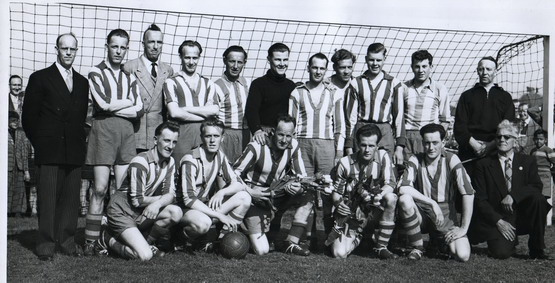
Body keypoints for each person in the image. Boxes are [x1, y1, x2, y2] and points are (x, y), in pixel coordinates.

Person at [22, 33, 90, 260]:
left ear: (76, 50)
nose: (69, 53)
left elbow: (81, 119)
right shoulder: (40, 78)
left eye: (73, 49)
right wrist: (42, 143)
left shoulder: (82, 82)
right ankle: (46, 246)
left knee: (71, 201)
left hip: (74, 150)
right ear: (56, 49)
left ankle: (68, 242)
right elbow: (28, 119)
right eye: (64, 48)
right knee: (48, 200)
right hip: (49, 150)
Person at [83, 29, 144, 255]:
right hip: (103, 132)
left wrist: (118, 105)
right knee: (99, 188)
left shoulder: (130, 77)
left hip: (126, 134)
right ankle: (90, 241)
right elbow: (102, 104)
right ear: (107, 46)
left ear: (127, 49)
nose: (118, 51)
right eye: (114, 46)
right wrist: (126, 101)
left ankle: (114, 238)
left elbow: (139, 109)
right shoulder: (96, 72)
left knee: (121, 191)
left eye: (123, 47)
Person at [468, 120, 552, 260]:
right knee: (501, 253)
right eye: (499, 136)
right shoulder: (483, 164)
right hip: (500, 217)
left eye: (507, 137)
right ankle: (509, 241)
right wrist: (498, 222)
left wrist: (514, 196)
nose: (502, 140)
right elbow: (480, 199)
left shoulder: (527, 161)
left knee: (539, 200)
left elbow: (536, 187)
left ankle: (537, 248)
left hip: (523, 215)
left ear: (515, 139)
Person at [101, 121, 183, 260]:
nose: (170, 146)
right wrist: (160, 201)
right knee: (144, 256)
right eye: (167, 141)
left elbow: (171, 194)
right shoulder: (140, 162)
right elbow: (137, 200)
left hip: (140, 211)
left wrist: (157, 204)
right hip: (121, 210)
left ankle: (146, 242)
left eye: (174, 142)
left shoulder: (170, 162)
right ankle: (106, 238)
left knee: (176, 212)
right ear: (156, 140)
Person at [234, 114, 312, 256]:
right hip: (256, 199)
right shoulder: (257, 146)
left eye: (288, 136)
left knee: (307, 195)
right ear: (272, 131)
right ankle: (242, 227)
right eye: (280, 134)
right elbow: (233, 174)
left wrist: (298, 187)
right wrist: (250, 191)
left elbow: (302, 176)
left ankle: (290, 242)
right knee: (262, 250)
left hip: (275, 195)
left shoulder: (293, 145)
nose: (284, 140)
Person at [397, 123, 474, 262]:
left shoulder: (451, 159)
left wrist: (463, 228)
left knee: (463, 255)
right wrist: (432, 203)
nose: (431, 148)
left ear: (443, 142)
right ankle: (417, 247)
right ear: (422, 143)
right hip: (422, 212)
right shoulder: (416, 159)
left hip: (445, 215)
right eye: (427, 143)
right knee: (404, 200)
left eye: (435, 143)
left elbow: (468, 193)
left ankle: (437, 243)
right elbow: (403, 188)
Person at [289, 52, 345, 240]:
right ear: (308, 68)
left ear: (326, 70)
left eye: (322, 68)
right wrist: (294, 151)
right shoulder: (297, 92)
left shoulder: (334, 93)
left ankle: (328, 237)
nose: (318, 71)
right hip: (303, 145)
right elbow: (292, 126)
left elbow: (339, 126)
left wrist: (338, 151)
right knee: (306, 191)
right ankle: (307, 237)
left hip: (326, 146)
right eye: (315, 67)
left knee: (328, 191)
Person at [177, 119, 251, 250]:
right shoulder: (190, 159)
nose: (212, 140)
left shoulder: (219, 156)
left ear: (222, 138)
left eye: (216, 136)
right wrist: (219, 215)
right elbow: (188, 199)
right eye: (208, 136)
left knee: (244, 197)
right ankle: (179, 240)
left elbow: (238, 183)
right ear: (201, 137)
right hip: (183, 209)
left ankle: (222, 241)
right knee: (203, 223)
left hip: (203, 207)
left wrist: (222, 192)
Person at [329, 124, 399, 260]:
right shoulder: (345, 163)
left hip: (376, 210)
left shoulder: (383, 156)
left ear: (377, 145)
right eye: (363, 145)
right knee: (339, 253)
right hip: (353, 215)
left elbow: (391, 183)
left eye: (371, 146)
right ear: (357, 144)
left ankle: (381, 247)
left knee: (391, 197)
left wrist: (378, 194)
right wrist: (338, 204)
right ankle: (361, 238)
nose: (367, 150)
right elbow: (337, 192)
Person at [344, 43, 405, 166]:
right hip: (362, 129)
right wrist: (349, 145)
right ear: (366, 59)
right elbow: (350, 118)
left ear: (384, 60)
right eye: (371, 60)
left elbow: (399, 117)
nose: (375, 63)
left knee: (386, 169)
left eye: (379, 60)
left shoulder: (394, 83)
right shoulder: (356, 83)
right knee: (360, 170)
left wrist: (399, 146)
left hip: (384, 131)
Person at [453, 56, 515, 176]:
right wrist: (475, 145)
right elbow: (460, 126)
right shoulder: (466, 96)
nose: (484, 73)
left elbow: (508, 126)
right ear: (477, 71)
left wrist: (491, 145)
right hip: (470, 151)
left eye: (488, 69)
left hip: (496, 151)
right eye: (481, 69)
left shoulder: (505, 97)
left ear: (495, 71)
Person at [122, 23, 174, 153]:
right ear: (143, 43)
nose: (155, 47)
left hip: (158, 138)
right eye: (151, 42)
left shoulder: (168, 70)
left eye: (159, 42)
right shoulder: (130, 67)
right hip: (135, 135)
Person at [164, 40, 218, 163]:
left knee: (202, 171)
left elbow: (214, 110)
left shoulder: (208, 83)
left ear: (199, 57)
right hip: (180, 135)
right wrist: (203, 117)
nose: (191, 62)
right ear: (180, 57)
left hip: (203, 135)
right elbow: (174, 113)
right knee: (179, 170)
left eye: (195, 58)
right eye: (187, 58)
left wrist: (185, 109)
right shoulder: (171, 82)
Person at [245, 43, 296, 145]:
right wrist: (257, 131)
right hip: (264, 136)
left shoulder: (291, 86)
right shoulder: (258, 84)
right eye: (277, 59)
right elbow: (251, 111)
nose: (282, 64)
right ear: (269, 59)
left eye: (285, 60)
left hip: (284, 136)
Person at [402, 50, 451, 155]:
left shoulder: (440, 89)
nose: (421, 70)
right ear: (412, 67)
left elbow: (445, 120)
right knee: (406, 169)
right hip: (407, 138)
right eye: (417, 66)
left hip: (429, 138)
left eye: (424, 66)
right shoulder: (403, 87)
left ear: (431, 67)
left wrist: (436, 138)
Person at [214, 45, 251, 163]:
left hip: (246, 134)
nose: (235, 66)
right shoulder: (216, 85)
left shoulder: (247, 83)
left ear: (244, 63)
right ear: (225, 60)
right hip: (227, 134)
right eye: (232, 61)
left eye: (239, 62)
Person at [8, 111, 31, 217]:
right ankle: (6, 212)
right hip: (7, 166)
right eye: (13, 120)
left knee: (19, 190)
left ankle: (17, 212)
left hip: (19, 166)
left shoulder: (21, 134)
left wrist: (26, 171)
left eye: (17, 121)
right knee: (7, 189)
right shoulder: (3, 132)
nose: (15, 123)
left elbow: (25, 153)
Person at [529, 129, 555, 198]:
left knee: (543, 194)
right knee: (535, 195)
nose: (538, 141)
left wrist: (551, 170)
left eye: (541, 139)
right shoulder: (533, 151)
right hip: (535, 174)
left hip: (544, 175)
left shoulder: (548, 150)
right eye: (536, 139)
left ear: (545, 140)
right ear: (534, 140)